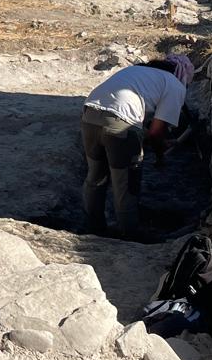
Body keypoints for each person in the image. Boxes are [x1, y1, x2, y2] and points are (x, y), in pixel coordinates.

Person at [81, 54, 194, 240]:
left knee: (96, 177)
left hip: (90, 117)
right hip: (121, 125)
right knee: (125, 185)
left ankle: (93, 229)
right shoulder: (175, 85)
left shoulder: (137, 72)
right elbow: (156, 132)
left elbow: (144, 127)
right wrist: (160, 153)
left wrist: (149, 140)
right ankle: (128, 236)